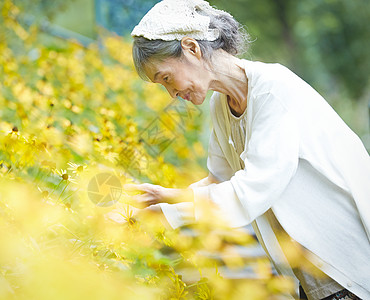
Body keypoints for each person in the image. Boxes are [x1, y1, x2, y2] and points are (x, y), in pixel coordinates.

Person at [125, 0, 370, 299]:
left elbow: (251, 190)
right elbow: (221, 179)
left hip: (346, 269)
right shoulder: (221, 103)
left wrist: (170, 217)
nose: (172, 93)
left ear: (191, 48)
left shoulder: (272, 90)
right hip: (309, 276)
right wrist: (170, 195)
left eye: (166, 77)